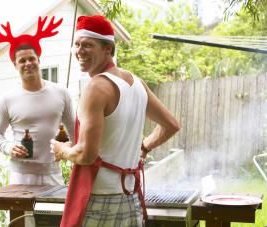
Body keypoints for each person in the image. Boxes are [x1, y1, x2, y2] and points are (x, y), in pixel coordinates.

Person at [51, 15, 180, 227]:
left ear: (108, 49)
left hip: (100, 198)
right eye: (77, 44)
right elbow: (171, 125)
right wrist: (144, 148)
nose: (80, 51)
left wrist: (61, 149)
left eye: (88, 45)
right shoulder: (137, 83)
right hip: (130, 198)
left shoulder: (96, 87)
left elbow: (86, 155)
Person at [0, 16, 75, 186]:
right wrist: (8, 147)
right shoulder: (7, 99)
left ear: (39, 60)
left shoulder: (61, 93)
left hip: (53, 175)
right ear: (15, 65)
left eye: (31, 59)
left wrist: (68, 149)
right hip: (20, 176)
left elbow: (75, 131)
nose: (27, 63)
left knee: (53, 213)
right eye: (22, 60)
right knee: (20, 214)